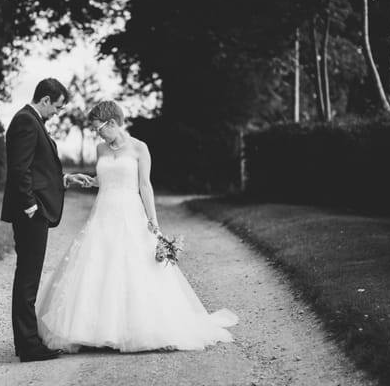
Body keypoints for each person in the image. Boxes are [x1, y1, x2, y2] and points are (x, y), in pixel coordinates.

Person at [35, 100, 238, 353]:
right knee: (96, 265)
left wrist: (153, 221)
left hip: (130, 213)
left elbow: (145, 185)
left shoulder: (139, 148)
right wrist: (87, 181)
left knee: (135, 267)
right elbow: (104, 179)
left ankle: (140, 329)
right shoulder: (100, 149)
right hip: (102, 213)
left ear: (112, 123)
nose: (97, 134)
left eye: (99, 128)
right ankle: (92, 329)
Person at [1, 78, 91, 362]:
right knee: (28, 279)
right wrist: (30, 207)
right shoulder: (27, 121)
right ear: (46, 100)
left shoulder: (32, 120)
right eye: (58, 106)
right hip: (31, 214)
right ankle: (28, 346)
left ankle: (27, 342)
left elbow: (39, 170)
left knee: (29, 276)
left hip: (33, 210)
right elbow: (20, 169)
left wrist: (64, 180)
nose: (58, 112)